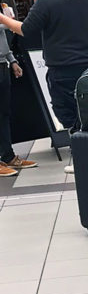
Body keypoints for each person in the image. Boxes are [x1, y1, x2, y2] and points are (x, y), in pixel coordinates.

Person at [0, 0, 88, 135]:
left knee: (68, 116)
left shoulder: (46, 1)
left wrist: (3, 19)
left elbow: (26, 30)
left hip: (63, 69)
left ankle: (80, 146)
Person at [0, 14, 35, 177]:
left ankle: (8, 156)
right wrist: (8, 22)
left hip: (2, 64)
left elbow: (2, 36)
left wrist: (12, 60)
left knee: (4, 113)